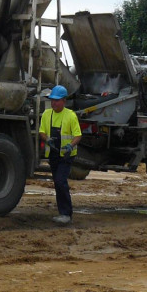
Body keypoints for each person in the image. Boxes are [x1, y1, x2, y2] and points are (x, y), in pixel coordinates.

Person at [38, 85, 82, 225]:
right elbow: (42, 132)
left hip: (67, 155)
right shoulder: (47, 114)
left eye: (57, 100)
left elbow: (78, 135)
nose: (54, 103)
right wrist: (47, 140)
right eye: (52, 100)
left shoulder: (70, 115)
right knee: (58, 183)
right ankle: (62, 212)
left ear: (64, 100)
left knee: (60, 181)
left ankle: (66, 214)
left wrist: (71, 145)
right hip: (53, 154)